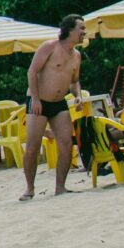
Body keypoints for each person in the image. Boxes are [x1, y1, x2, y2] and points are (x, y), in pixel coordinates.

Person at [21, 14, 85, 201]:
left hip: (59, 103)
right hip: (38, 100)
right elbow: (32, 71)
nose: (84, 32)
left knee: (66, 144)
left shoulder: (77, 55)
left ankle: (60, 187)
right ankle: (30, 188)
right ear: (70, 30)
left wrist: (78, 96)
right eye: (81, 28)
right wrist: (35, 98)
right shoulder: (50, 46)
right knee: (32, 146)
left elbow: (74, 81)